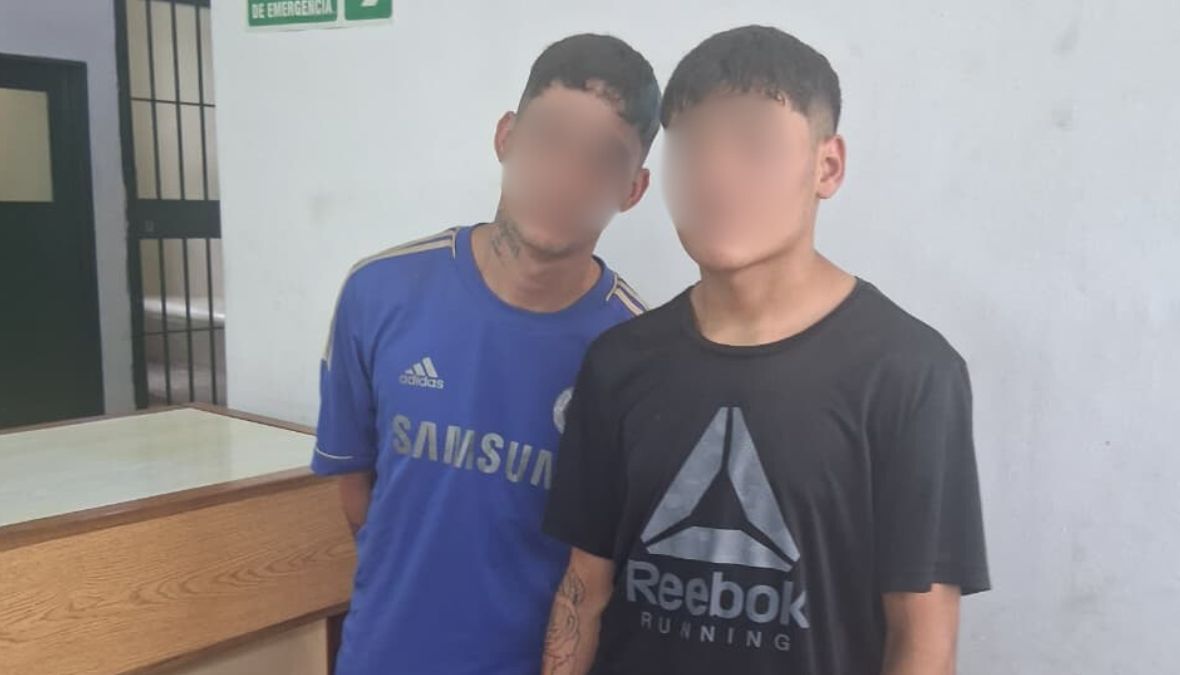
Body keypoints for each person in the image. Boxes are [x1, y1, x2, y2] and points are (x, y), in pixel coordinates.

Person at [542, 25, 990, 675]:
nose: (717, 176)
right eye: (694, 147)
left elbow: (921, 641)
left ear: (827, 166)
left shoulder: (911, 374)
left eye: (754, 144)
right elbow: (583, 594)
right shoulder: (619, 363)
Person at [311, 33, 660, 675]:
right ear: (506, 136)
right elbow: (357, 494)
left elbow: (604, 575)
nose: (566, 176)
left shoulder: (640, 355)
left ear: (632, 189)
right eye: (549, 139)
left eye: (600, 159)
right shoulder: (378, 293)